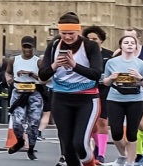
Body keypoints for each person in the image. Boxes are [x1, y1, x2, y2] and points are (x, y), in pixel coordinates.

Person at [39, 13, 104, 166]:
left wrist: (74, 65)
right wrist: (55, 65)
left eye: (71, 34)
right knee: (67, 147)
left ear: (78, 31)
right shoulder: (54, 45)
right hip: (61, 99)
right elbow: (42, 75)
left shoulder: (90, 46)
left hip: (87, 99)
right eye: (64, 33)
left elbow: (96, 74)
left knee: (79, 144)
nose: (67, 37)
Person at [101, 34, 143, 166]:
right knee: (116, 132)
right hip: (115, 99)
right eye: (126, 42)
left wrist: (139, 78)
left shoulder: (141, 64)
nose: (130, 44)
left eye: (132, 42)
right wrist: (112, 78)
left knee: (132, 133)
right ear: (121, 46)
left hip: (135, 99)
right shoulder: (111, 62)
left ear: (136, 46)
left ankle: (130, 162)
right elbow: (105, 82)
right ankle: (122, 155)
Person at [4, 35, 43, 160]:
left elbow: (44, 80)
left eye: (29, 47)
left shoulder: (38, 61)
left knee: (34, 123)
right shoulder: (13, 60)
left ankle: (31, 148)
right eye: (25, 47)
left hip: (34, 93)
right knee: (17, 122)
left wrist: (32, 74)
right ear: (21, 47)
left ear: (33, 47)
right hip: (19, 92)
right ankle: (20, 141)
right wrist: (9, 79)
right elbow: (8, 72)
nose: (27, 50)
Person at [87, 26, 115, 164]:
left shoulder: (109, 55)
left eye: (95, 39)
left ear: (101, 40)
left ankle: (101, 153)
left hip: (104, 91)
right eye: (89, 39)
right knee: (91, 124)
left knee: (102, 121)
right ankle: (96, 147)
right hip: (87, 90)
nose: (92, 41)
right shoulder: (83, 55)